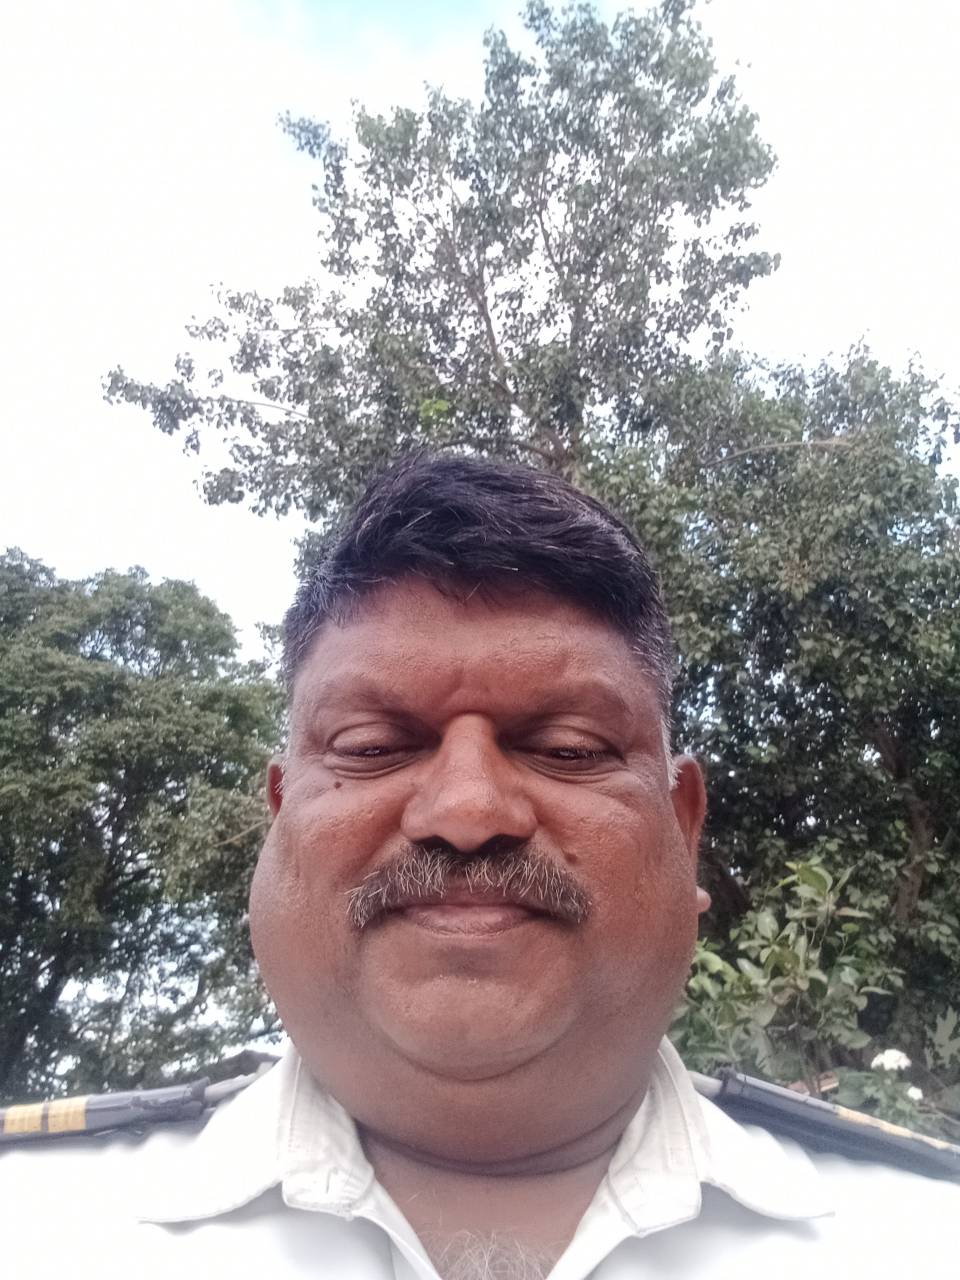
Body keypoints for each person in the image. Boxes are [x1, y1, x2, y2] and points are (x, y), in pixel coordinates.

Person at [2, 454, 958, 1279]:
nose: (467, 812)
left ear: (683, 828)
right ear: (282, 816)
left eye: (571, 748)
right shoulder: (38, 1227)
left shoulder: (918, 1239)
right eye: (373, 747)